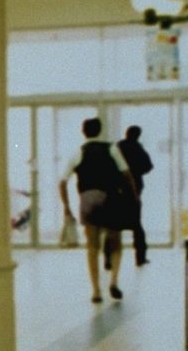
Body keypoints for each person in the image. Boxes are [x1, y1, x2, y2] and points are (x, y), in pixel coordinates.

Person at [59, 117, 138, 304]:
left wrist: (67, 207)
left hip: (88, 200)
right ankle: (113, 281)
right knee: (116, 242)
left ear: (83, 132)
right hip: (111, 199)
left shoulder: (79, 152)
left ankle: (95, 291)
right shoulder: (112, 148)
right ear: (100, 130)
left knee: (92, 247)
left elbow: (62, 182)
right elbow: (126, 174)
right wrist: (134, 196)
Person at [117, 125, 154, 266]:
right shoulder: (138, 148)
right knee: (136, 224)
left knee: (114, 226)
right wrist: (136, 172)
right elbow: (148, 166)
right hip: (135, 191)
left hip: (118, 189)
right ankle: (140, 257)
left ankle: (108, 259)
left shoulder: (118, 147)